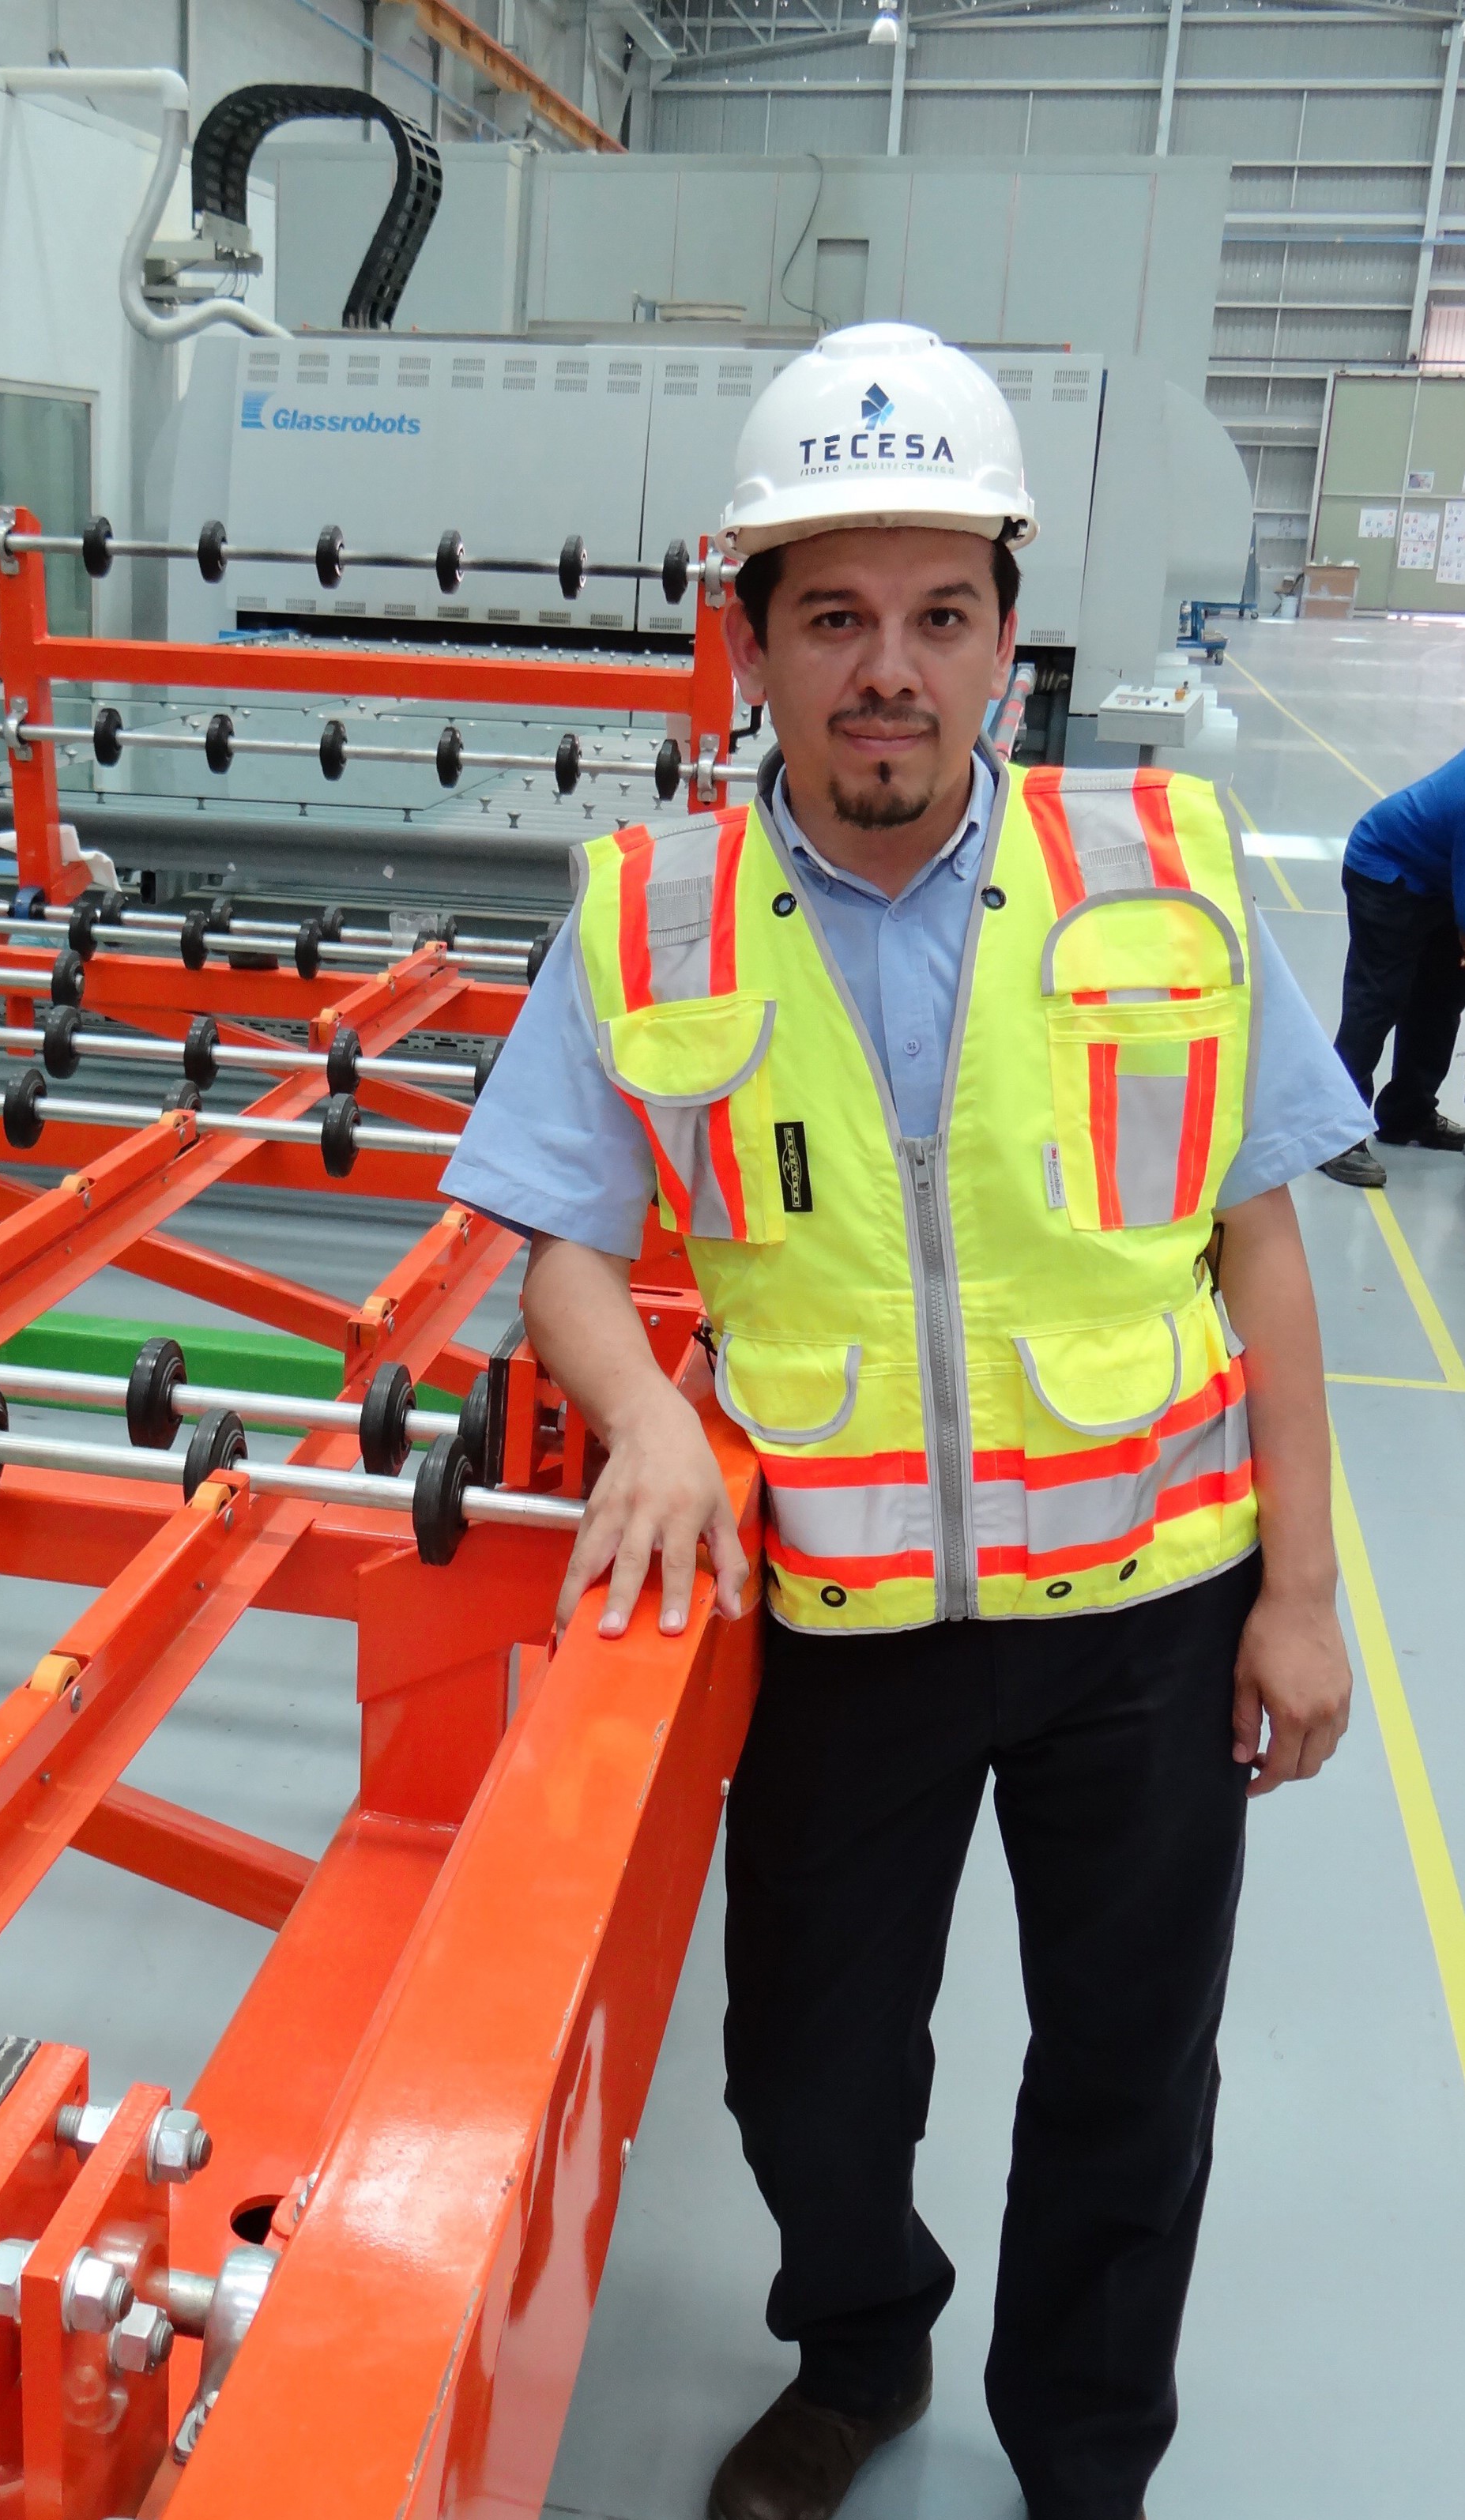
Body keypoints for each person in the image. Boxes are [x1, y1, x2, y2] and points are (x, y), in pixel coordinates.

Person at [443, 322, 1368, 2520]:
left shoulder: (1161, 870)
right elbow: (555, 1237)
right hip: (844, 1617)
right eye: (834, 616)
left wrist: (1305, 1596)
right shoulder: (650, 911)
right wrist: (643, 1419)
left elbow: (1264, 1248)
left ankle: (1081, 2456)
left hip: (1150, 1608)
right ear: (748, 638)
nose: (890, 669)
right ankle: (858, 2346)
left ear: (1004, 640)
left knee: (1130, 2074)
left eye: (938, 615)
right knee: (806, 2079)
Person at [1316, 748, 1465, 1187]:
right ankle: (1334, 1133)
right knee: (1378, 999)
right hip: (1388, 867)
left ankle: (1408, 1116)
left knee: (1441, 1001)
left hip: (1438, 876)